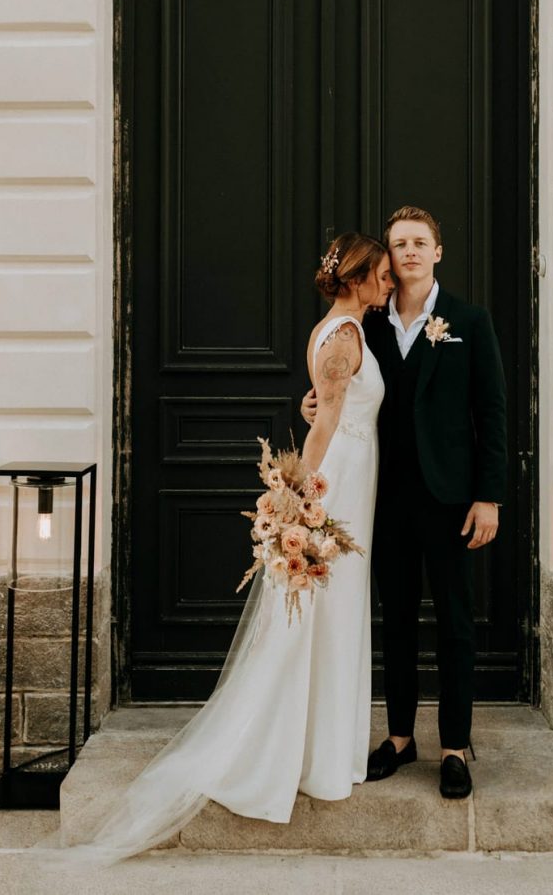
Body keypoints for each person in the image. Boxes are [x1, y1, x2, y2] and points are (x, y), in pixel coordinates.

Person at [52, 233, 393, 866]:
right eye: (380, 275)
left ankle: (324, 748)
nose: (388, 283)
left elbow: (322, 403)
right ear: (355, 277)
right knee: (328, 612)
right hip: (338, 480)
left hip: (351, 473)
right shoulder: (345, 337)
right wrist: (300, 495)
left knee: (330, 614)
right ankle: (308, 755)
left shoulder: (336, 330)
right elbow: (323, 423)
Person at [302, 205, 507, 800]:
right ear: (386, 256)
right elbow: (341, 388)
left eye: (421, 242)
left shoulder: (469, 319)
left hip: (449, 499)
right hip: (381, 494)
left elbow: (491, 413)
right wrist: (310, 406)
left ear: (437, 251)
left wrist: (488, 496)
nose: (410, 252)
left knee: (454, 621)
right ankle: (398, 737)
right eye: (400, 243)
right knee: (392, 619)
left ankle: (453, 745)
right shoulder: (365, 324)